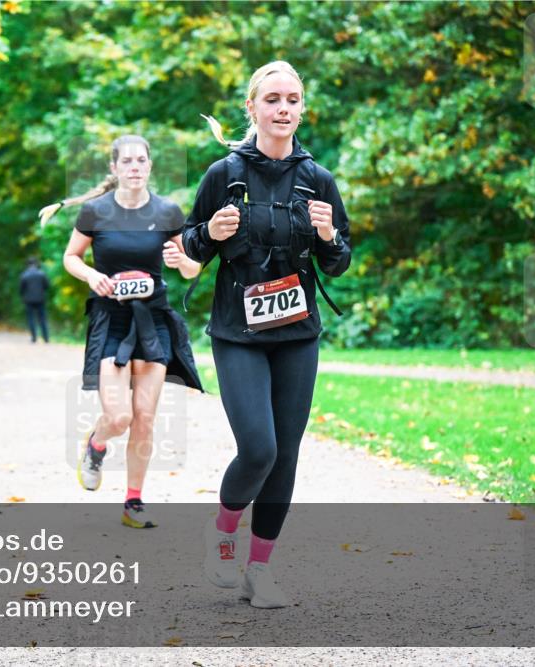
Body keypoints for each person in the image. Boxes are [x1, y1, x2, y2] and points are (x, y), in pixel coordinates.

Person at [182, 61, 352, 607]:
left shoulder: (317, 179)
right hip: (238, 332)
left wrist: (327, 234)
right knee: (259, 448)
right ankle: (223, 532)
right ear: (251, 107)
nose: (283, 109)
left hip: (297, 334)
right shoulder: (224, 173)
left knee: (286, 455)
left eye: (293, 100)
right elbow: (189, 246)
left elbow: (338, 262)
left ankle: (260, 571)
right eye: (273, 99)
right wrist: (209, 231)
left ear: (302, 109)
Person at [42, 134, 204, 529]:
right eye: (126, 161)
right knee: (119, 417)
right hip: (111, 319)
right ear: (114, 168)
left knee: (144, 418)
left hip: (153, 320)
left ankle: (134, 502)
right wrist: (91, 275)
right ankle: (96, 444)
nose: (134, 167)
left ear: (150, 165)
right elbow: (71, 257)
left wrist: (180, 260)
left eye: (141, 160)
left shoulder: (167, 211)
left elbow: (192, 268)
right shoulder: (96, 212)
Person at [19, 257, 50, 343]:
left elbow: (21, 289)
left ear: (27, 264)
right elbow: (47, 286)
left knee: (31, 319)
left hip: (29, 300)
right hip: (40, 299)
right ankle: (46, 338)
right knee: (42, 318)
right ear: (36, 264)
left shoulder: (24, 275)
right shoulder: (41, 274)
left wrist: (24, 296)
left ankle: (34, 338)